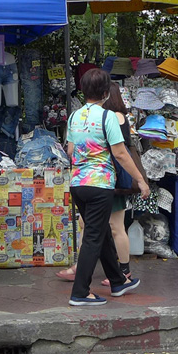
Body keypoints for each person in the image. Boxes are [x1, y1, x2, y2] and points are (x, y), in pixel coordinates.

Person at [64, 68, 149, 306]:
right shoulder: (107, 117)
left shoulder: (74, 117)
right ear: (104, 92)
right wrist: (141, 180)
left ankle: (117, 280)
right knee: (93, 236)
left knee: (99, 232)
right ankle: (80, 292)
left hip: (78, 184)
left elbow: (71, 151)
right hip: (100, 184)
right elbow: (120, 153)